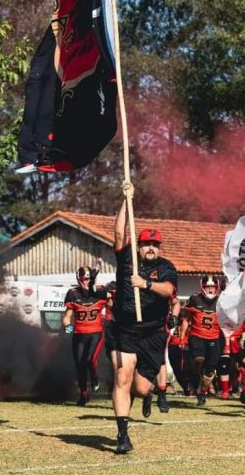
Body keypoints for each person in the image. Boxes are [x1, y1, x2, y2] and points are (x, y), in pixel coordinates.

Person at [110, 183, 179, 454]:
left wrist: (146, 285)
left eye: (154, 244)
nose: (150, 248)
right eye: (146, 243)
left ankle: (148, 394)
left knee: (139, 388)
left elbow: (169, 290)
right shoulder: (127, 258)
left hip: (152, 333)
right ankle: (122, 435)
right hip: (125, 329)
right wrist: (127, 199)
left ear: (159, 248)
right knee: (122, 378)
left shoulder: (166, 267)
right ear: (139, 246)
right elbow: (118, 232)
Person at [62, 265, 108, 406]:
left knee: (90, 360)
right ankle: (83, 394)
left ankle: (95, 379)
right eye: (84, 279)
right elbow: (67, 317)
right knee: (80, 365)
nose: (86, 282)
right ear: (79, 279)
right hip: (79, 334)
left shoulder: (100, 292)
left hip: (96, 333)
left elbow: (113, 302)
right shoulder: (73, 294)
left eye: (88, 279)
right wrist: (68, 330)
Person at [185, 274, 223, 406]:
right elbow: (186, 318)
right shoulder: (194, 299)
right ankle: (194, 378)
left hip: (214, 337)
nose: (211, 290)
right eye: (208, 287)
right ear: (202, 287)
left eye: (213, 287)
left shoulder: (222, 300)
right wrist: (183, 337)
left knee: (210, 371)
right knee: (198, 359)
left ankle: (202, 392)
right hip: (197, 334)